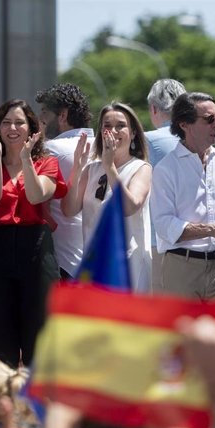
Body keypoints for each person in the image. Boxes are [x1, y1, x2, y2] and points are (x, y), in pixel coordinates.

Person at [0, 99, 66, 368]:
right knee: (1, 346)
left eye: (20, 122)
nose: (13, 128)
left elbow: (36, 196)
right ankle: (4, 406)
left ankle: (36, 407)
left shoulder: (47, 164)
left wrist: (25, 159)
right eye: (6, 122)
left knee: (39, 344)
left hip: (36, 248)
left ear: (31, 128)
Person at [151, 92, 215, 299]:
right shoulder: (166, 169)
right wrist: (212, 230)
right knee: (184, 332)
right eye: (208, 119)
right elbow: (163, 225)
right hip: (181, 269)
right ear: (184, 124)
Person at [62, 102, 152, 293]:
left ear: (133, 133)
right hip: (96, 265)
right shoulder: (92, 169)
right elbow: (69, 210)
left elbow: (129, 206)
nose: (113, 131)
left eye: (120, 126)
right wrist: (77, 169)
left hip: (128, 268)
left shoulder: (141, 168)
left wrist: (109, 166)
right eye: (107, 125)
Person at [35, 83, 94, 278]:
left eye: (45, 112)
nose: (40, 118)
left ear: (62, 116)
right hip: (103, 260)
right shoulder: (105, 147)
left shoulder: (52, 149)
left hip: (65, 262)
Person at [145, 79, 187, 291]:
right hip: (195, 242)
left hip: (157, 240)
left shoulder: (147, 141)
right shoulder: (198, 138)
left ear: (153, 108)